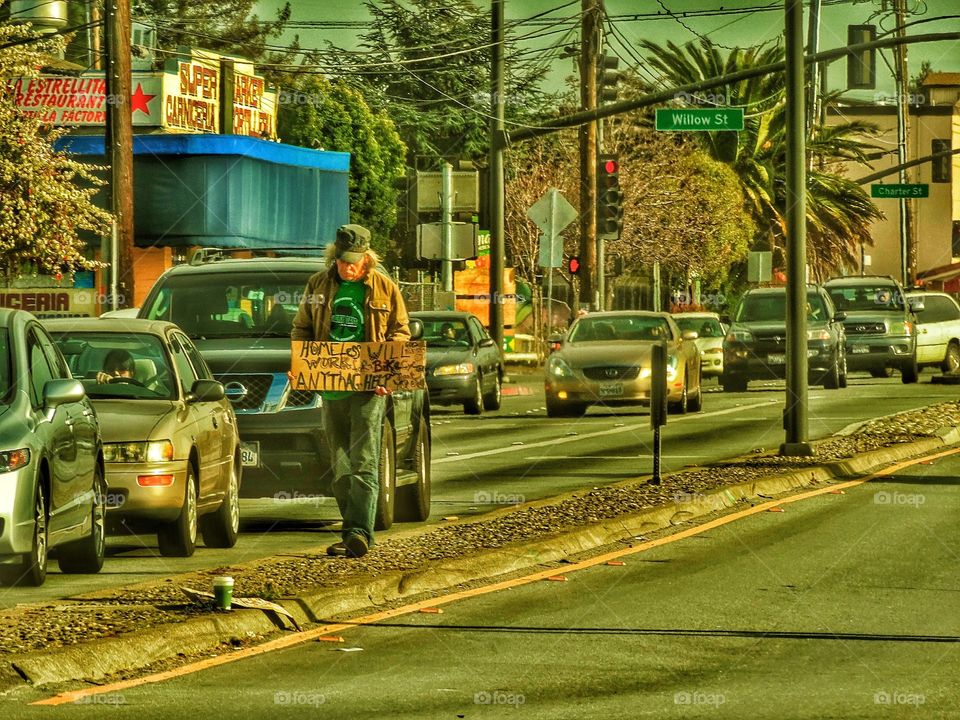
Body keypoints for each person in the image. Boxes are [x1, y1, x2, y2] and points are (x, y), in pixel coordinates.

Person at [291, 224, 410, 559]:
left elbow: (400, 330)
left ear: (367, 259)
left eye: (354, 261)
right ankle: (351, 529)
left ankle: (358, 533)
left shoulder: (385, 288)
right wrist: (302, 363)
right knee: (340, 465)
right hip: (331, 389)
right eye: (343, 260)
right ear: (335, 257)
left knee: (364, 460)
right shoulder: (319, 285)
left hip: (369, 389)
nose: (348, 266)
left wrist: (387, 368)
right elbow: (301, 326)